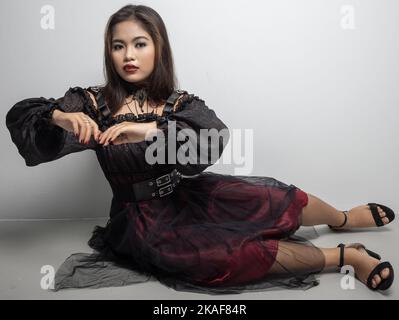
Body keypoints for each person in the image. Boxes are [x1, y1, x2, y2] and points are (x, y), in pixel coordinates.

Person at [5, 4, 395, 294]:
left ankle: (342, 218)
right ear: (109, 52)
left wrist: (149, 130)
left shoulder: (177, 102)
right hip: (141, 222)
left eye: (139, 44)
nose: (128, 55)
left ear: (158, 48)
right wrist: (58, 116)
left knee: (273, 195)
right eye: (118, 46)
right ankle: (347, 256)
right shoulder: (92, 103)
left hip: (187, 196)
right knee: (225, 255)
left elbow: (214, 136)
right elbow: (22, 117)